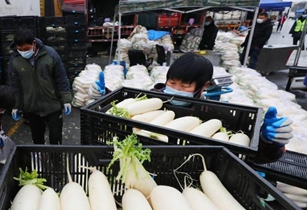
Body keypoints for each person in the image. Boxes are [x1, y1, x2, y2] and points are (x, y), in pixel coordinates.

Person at [89, 53, 293, 163]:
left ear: (203, 86)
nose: (176, 89)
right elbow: (123, 113)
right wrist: (104, 96)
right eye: (172, 82)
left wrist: (270, 144)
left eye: (185, 85)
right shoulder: (152, 98)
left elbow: (253, 158)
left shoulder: (216, 113)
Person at [8, 28, 73, 145]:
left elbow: (61, 78)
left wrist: (66, 99)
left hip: (53, 105)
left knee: (56, 140)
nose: (23, 52)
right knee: (37, 140)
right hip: (31, 107)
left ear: (34, 43)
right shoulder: (15, 60)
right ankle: (41, 160)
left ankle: (56, 160)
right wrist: (16, 105)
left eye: (26, 49)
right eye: (20, 49)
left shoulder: (50, 54)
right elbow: (15, 85)